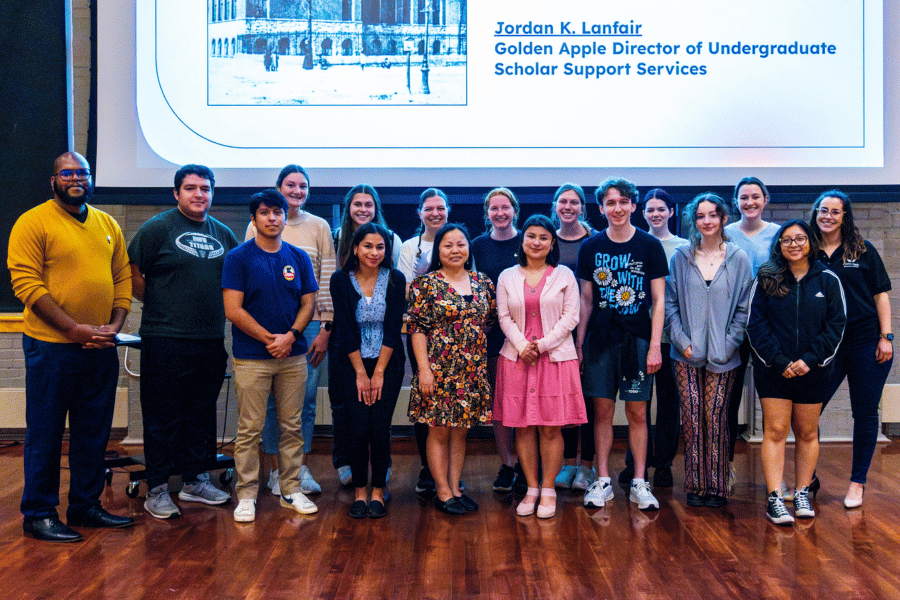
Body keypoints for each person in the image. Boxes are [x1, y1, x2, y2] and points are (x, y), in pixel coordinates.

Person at [8, 152, 133, 542]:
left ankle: (84, 506)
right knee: (45, 433)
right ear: (53, 180)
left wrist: (113, 327)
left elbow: (123, 279)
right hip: (52, 349)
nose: (76, 178)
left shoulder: (107, 223)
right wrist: (74, 329)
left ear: (91, 178)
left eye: (82, 172)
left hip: (100, 348)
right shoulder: (33, 222)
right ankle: (39, 514)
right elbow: (26, 285)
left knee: (93, 432)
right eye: (67, 173)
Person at [128, 164, 238, 519]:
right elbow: (131, 271)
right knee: (162, 415)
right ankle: (157, 488)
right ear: (177, 193)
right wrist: (160, 301)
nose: (198, 194)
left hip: (208, 340)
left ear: (212, 194)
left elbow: (234, 283)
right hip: (164, 338)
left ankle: (195, 481)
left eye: (205, 188)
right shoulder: (157, 228)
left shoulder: (223, 234)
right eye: (190, 188)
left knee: (201, 414)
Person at [224, 190, 320, 522]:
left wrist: (291, 336)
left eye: (277, 212)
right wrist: (270, 340)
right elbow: (233, 310)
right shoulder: (239, 257)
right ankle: (247, 494)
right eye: (265, 212)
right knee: (250, 428)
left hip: (293, 357)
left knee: (292, 426)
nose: (272, 218)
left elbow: (309, 303)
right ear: (254, 218)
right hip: (252, 357)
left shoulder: (299, 256)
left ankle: (291, 488)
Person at [575, 177, 666, 512]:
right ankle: (602, 480)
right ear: (601, 208)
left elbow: (658, 300)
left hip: (638, 341)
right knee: (601, 411)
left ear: (633, 206)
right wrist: (579, 345)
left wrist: (655, 346)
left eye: (623, 202)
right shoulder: (591, 247)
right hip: (600, 340)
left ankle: (640, 481)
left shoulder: (649, 246)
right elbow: (586, 301)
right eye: (610, 203)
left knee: (638, 412)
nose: (617, 208)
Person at [245, 165, 336, 495]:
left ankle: (298, 470)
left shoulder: (319, 226)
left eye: (302, 186)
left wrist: (326, 326)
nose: (296, 190)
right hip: (265, 331)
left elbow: (326, 279)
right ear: (278, 188)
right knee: (271, 403)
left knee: (305, 402)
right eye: (290, 185)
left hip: (310, 327)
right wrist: (263, 332)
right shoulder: (255, 226)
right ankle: (274, 473)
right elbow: (248, 276)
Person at [748, 219, 846, 524]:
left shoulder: (828, 279)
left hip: (813, 371)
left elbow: (836, 325)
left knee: (806, 433)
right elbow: (755, 325)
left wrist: (809, 360)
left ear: (811, 243)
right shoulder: (766, 278)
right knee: (775, 432)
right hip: (773, 371)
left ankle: (802, 492)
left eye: (800, 239)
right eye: (787, 240)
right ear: (779, 245)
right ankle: (775, 498)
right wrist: (779, 362)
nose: (794, 244)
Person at [665, 193, 752, 508]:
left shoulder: (739, 258)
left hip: (724, 356)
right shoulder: (681, 256)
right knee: (691, 417)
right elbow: (670, 304)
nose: (706, 221)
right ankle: (694, 485)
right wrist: (681, 341)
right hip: (685, 354)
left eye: (712, 215)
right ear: (694, 220)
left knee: (715, 417)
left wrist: (729, 344)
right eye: (700, 216)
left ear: (723, 218)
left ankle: (716, 486)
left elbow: (744, 308)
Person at [495, 215, 585, 518]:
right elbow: (503, 316)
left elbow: (571, 317)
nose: (536, 242)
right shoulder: (507, 275)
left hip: (555, 359)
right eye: (531, 236)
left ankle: (548, 488)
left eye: (543, 237)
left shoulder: (564, 276)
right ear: (523, 240)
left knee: (550, 428)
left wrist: (541, 346)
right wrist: (523, 347)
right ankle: (531, 487)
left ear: (552, 243)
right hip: (516, 359)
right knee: (522, 427)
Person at [810, 191, 892, 509]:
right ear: (815, 213)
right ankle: (808, 478)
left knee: (865, 413)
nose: (828, 215)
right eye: (823, 210)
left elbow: (881, 296)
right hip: (825, 344)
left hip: (865, 342)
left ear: (845, 216)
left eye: (835, 211)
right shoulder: (807, 251)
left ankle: (857, 483)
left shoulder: (863, 250)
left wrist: (886, 337)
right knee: (808, 411)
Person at [407, 223, 496, 515]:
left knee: (460, 432)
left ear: (468, 248)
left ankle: (456, 487)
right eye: (448, 245)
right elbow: (416, 329)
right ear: (438, 250)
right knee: (438, 431)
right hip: (438, 369)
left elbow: (490, 320)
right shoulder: (426, 284)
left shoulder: (483, 282)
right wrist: (423, 370)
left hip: (471, 371)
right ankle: (442, 491)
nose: (455, 250)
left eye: (460, 244)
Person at [329, 223, 406, 519]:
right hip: (351, 364)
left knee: (379, 427)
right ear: (356, 249)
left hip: (388, 363)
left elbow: (392, 328)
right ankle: (360, 491)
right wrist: (362, 373)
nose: (374, 252)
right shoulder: (340, 280)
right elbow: (346, 330)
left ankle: (378, 491)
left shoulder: (396, 279)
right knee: (358, 427)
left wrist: (379, 373)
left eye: (380, 247)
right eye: (368, 246)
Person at [722, 177, 781, 488]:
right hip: (731, 327)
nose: (749, 202)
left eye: (755, 196)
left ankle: (778, 476)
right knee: (729, 401)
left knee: (775, 402)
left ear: (765, 199)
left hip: (768, 328)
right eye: (743, 197)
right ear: (736, 201)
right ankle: (726, 467)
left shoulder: (778, 235)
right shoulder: (725, 234)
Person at [470, 187, 525, 494]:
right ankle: (508, 464)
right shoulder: (477, 245)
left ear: (514, 210)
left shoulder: (528, 239)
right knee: (501, 403)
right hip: (491, 336)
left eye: (505, 207)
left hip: (528, 335)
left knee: (526, 400)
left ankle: (528, 464)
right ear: (487, 213)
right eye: (494, 208)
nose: (500, 213)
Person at [397, 188, 450, 494]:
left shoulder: (456, 241)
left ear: (447, 211)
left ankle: (449, 470)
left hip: (457, 336)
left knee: (452, 401)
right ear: (420, 213)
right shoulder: (408, 248)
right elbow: (406, 291)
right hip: (421, 332)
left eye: (440, 208)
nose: (435, 213)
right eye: (428, 208)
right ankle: (428, 468)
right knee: (426, 396)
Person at [551, 184, 598, 492]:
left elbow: (589, 294)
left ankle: (589, 468)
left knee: (592, 401)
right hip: (555, 336)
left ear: (583, 207)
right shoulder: (547, 240)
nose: (568, 206)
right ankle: (568, 463)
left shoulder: (593, 242)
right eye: (563, 201)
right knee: (565, 401)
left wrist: (581, 339)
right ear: (555, 206)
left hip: (591, 331)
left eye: (574, 202)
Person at [333, 184, 402, 269]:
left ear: (375, 209)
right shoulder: (335, 239)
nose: (363, 210)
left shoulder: (393, 240)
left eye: (368, 205)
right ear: (348, 207)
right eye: (357, 204)